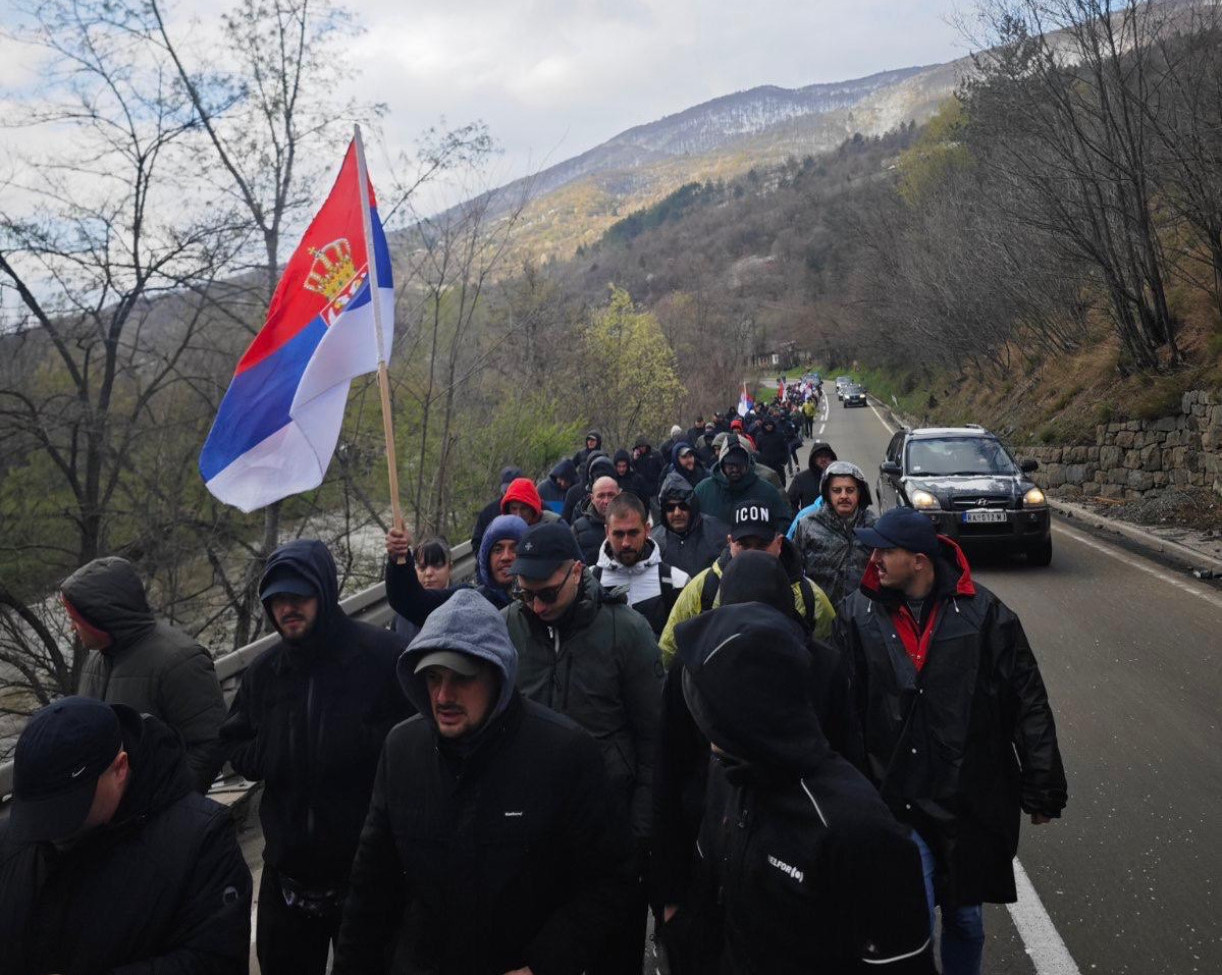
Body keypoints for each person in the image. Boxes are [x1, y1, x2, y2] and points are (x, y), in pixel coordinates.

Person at [333, 590, 635, 975]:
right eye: (433, 677)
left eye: (461, 678)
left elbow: (611, 879)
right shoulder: (402, 750)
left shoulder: (564, 753)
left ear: (498, 675)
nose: (443, 695)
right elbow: (370, 888)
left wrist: (545, 963)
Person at [835, 507, 1068, 975]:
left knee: (966, 919)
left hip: (967, 798)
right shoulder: (857, 615)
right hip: (895, 796)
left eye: (885, 551)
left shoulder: (986, 615)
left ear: (919, 560)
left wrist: (1043, 787)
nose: (873, 559)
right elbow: (841, 708)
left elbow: (1027, 702)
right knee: (914, 916)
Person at [666, 603, 934, 975]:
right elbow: (710, 902)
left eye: (710, 708)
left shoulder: (858, 831)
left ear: (743, 712)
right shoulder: (729, 776)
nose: (701, 725)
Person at [652, 553, 860, 969]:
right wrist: (668, 896)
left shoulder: (823, 668)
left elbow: (847, 765)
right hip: (707, 859)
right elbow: (667, 776)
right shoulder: (691, 671)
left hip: (797, 864)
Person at [221, 539, 414, 975]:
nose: (287, 608)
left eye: (299, 596)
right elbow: (232, 741)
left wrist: (360, 744)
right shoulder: (265, 673)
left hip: (367, 875)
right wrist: (270, 754)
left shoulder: (382, 657)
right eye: (277, 600)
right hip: (287, 877)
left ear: (324, 592)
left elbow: (418, 738)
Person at [505, 522, 664, 975]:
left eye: (547, 594)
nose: (537, 606)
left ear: (577, 572)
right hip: (531, 840)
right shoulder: (507, 629)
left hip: (610, 837)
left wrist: (639, 836)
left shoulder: (626, 632)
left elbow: (655, 740)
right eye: (525, 595)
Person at [0, 697, 252, 974]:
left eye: (66, 810)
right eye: (37, 814)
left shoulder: (202, 839)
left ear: (120, 769)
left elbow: (215, 962)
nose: (50, 829)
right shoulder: (14, 838)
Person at [64, 555, 226, 792]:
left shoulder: (180, 660)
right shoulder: (96, 660)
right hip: (114, 809)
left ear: (97, 617)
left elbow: (210, 744)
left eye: (75, 619)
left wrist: (172, 802)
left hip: (164, 807)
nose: (72, 627)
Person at [659, 498, 832, 667]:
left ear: (778, 543)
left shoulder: (810, 597)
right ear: (730, 543)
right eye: (744, 545)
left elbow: (826, 663)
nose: (752, 554)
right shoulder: (702, 589)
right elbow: (668, 652)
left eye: (761, 545)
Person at [387, 514, 529, 626]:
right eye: (498, 549)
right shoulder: (468, 600)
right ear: (486, 558)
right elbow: (411, 602)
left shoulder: (538, 602)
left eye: (515, 549)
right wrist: (399, 558)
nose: (506, 557)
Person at [593, 492, 690, 636]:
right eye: (619, 534)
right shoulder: (590, 582)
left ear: (647, 530)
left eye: (633, 533)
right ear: (607, 532)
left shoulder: (677, 582)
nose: (626, 543)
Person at [791, 460, 879, 606]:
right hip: (821, 612)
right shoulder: (808, 526)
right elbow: (794, 573)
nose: (843, 496)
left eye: (850, 490)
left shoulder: (873, 526)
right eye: (837, 490)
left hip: (864, 612)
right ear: (827, 493)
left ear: (859, 492)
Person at [692, 433, 792, 535]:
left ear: (747, 464)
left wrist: (770, 540)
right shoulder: (703, 490)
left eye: (739, 465)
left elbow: (784, 522)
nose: (735, 470)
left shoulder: (766, 490)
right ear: (722, 464)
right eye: (730, 466)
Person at [652, 470, 729, 577]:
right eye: (670, 508)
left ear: (691, 507)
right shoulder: (655, 542)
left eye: (683, 506)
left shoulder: (717, 532)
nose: (677, 513)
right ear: (664, 512)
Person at [392, 536, 453, 641]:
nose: (428, 573)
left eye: (437, 566)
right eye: (422, 567)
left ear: (450, 568)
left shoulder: (463, 604)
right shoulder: (401, 616)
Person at [571, 473, 622, 564]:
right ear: (592, 499)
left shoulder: (632, 524)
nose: (606, 501)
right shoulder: (578, 529)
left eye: (611, 495)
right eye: (601, 496)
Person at [470, 464, 523, 551]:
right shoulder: (488, 513)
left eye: (514, 490)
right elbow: (477, 543)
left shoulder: (533, 509)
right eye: (506, 490)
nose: (510, 494)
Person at [786, 441, 838, 522]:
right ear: (813, 458)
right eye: (819, 456)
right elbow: (789, 502)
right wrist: (799, 518)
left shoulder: (839, 477)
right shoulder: (801, 478)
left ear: (832, 458)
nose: (823, 459)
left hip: (835, 523)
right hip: (809, 523)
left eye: (827, 456)